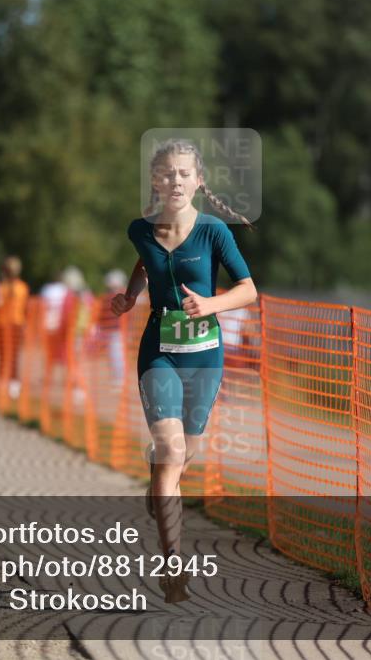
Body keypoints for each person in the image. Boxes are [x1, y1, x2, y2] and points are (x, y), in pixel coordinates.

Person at [111, 139, 257, 603]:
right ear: (155, 180)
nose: (174, 181)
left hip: (205, 356)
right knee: (172, 449)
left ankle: (159, 472)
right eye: (166, 174)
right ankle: (172, 561)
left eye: (183, 174)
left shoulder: (214, 231)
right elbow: (146, 262)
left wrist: (210, 304)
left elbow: (249, 290)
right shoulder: (139, 229)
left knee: (184, 453)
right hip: (160, 352)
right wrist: (133, 295)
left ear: (197, 181)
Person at [0, 255, 29, 399]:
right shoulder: (1, 287)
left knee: (14, 356)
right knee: (3, 355)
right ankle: (2, 382)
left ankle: (13, 384)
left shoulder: (22, 287)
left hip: (16, 324)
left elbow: (26, 308)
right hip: (2, 324)